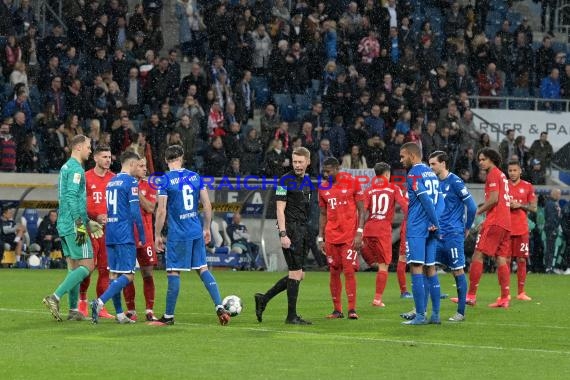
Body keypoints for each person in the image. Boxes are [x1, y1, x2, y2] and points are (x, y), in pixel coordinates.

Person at [150, 145, 231, 326]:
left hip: (178, 233)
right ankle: (219, 306)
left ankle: (168, 317)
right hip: (195, 230)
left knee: (173, 271)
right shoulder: (195, 177)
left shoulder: (164, 180)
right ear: (182, 157)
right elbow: (207, 205)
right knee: (202, 269)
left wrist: (157, 235)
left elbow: (161, 211)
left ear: (166, 159)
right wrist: (207, 228)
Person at [43, 135, 104, 322]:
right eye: (88, 146)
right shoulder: (77, 169)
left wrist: (86, 220)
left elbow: (70, 198)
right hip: (73, 224)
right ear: (78, 147)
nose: (90, 150)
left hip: (63, 223)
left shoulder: (65, 167)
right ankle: (54, 297)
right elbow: (71, 197)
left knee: (74, 267)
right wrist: (81, 224)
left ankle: (73, 309)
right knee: (88, 265)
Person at [255, 147, 313, 325]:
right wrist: (283, 233)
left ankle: (263, 299)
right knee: (295, 273)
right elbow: (280, 208)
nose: (297, 165)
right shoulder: (284, 180)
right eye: (294, 162)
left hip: (303, 230)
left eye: (300, 162)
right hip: (291, 230)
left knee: (299, 274)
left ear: (307, 162)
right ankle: (291, 316)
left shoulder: (308, 180)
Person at [90, 151, 146, 324]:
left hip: (110, 232)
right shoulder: (130, 182)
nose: (139, 168)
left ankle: (120, 314)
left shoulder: (111, 182)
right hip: (123, 234)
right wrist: (142, 235)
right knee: (128, 275)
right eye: (138, 165)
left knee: (114, 275)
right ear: (131, 164)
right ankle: (99, 302)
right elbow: (136, 212)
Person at [429, 151, 477, 322]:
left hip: (452, 234)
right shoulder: (433, 183)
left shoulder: (455, 182)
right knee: (429, 268)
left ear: (443, 163)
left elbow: (471, 207)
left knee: (457, 270)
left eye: (433, 164)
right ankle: (432, 312)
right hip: (436, 234)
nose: (430, 167)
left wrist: (466, 228)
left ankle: (461, 312)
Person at [463, 148, 512, 308]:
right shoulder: (502, 175)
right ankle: (505, 298)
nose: (481, 162)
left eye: (483, 159)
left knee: (478, 255)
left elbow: (493, 199)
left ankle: (470, 296)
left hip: (496, 220)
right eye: (479, 159)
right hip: (505, 222)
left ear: (491, 159)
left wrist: (477, 212)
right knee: (500, 258)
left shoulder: (493, 174)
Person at [399, 142, 441, 325]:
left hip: (417, 227)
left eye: (403, 156)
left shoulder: (414, 173)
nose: (401, 160)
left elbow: (424, 199)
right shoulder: (431, 173)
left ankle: (420, 316)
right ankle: (435, 315)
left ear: (412, 155)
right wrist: (435, 222)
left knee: (416, 267)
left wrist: (434, 222)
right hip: (429, 227)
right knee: (430, 268)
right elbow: (440, 201)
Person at [318, 157, 364, 320]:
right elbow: (323, 214)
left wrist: (359, 232)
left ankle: (352, 309)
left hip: (349, 236)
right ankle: (337, 310)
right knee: (333, 271)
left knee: (349, 271)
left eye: (328, 171)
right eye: (324, 171)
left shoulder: (352, 182)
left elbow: (361, 209)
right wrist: (320, 237)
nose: (325, 174)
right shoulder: (323, 188)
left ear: (337, 169)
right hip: (331, 236)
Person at [360, 162, 408, 308]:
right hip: (383, 230)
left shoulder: (368, 190)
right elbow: (405, 205)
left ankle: (367, 258)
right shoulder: (394, 188)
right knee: (383, 265)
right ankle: (377, 299)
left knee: (374, 261)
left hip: (368, 229)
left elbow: (362, 211)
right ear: (387, 174)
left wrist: (359, 230)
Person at [78, 145, 115, 319]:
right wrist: (94, 217)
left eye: (109, 157)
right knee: (88, 269)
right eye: (104, 156)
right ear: (96, 158)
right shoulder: (86, 178)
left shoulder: (114, 179)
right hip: (90, 229)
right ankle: (82, 301)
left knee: (105, 270)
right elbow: (80, 204)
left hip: (108, 232)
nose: (108, 160)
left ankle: (100, 305)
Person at [122, 157, 159, 322]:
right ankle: (130, 310)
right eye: (141, 166)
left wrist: (136, 190)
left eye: (145, 166)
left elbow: (150, 208)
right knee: (127, 274)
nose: (145, 169)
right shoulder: (124, 184)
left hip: (146, 238)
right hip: (128, 236)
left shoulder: (150, 185)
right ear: (133, 167)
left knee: (147, 273)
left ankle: (149, 310)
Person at [506, 160, 537, 299]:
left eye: (515, 170)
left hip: (521, 229)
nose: (512, 173)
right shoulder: (503, 185)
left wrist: (519, 205)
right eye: (510, 170)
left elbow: (533, 208)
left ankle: (521, 292)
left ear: (520, 171)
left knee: (522, 260)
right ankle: (505, 293)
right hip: (505, 228)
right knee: (504, 261)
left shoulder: (528, 186)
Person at [544, 188, 562, 274]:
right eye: (559, 194)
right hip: (551, 229)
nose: (560, 196)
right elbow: (551, 218)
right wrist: (553, 229)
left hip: (552, 228)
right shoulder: (551, 204)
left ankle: (549, 266)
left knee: (550, 248)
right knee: (550, 248)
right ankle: (548, 267)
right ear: (554, 194)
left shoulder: (553, 203)